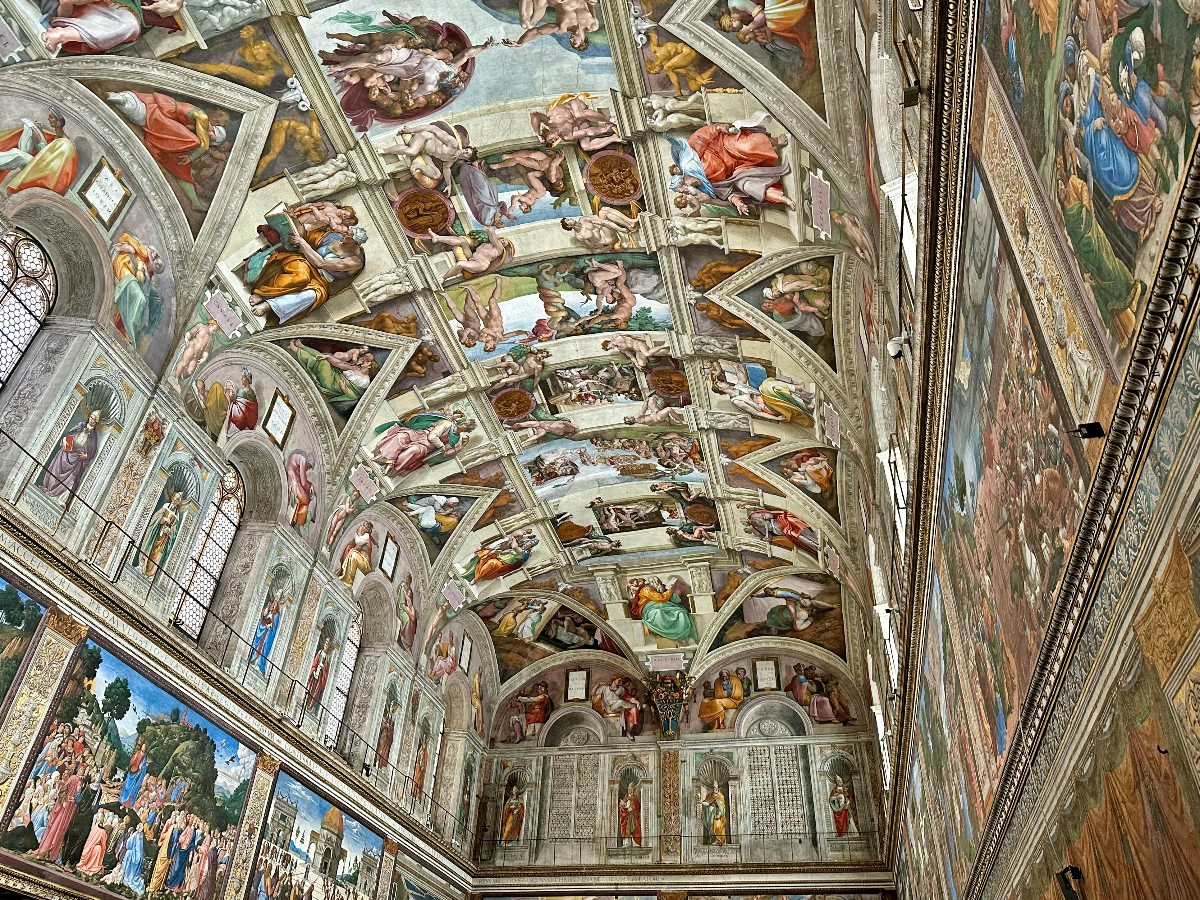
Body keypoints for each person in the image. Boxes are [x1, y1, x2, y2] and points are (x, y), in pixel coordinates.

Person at [106, 90, 225, 212]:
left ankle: (194, 202)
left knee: (180, 166)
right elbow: (204, 145)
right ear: (214, 131)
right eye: (213, 137)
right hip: (165, 111)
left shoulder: (198, 127)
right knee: (194, 141)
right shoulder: (203, 118)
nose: (209, 138)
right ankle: (123, 101)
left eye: (212, 140)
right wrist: (191, 157)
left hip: (166, 118)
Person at [246, 207, 367, 324]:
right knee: (301, 276)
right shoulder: (336, 237)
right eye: (348, 233)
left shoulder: (354, 262)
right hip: (304, 262)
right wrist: (294, 219)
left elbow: (321, 263)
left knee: (313, 295)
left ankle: (269, 305)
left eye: (349, 236)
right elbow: (306, 235)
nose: (345, 235)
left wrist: (302, 243)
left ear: (355, 243)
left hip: (320, 280)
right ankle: (263, 294)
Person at [373, 409, 473, 477]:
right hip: (420, 434)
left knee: (414, 450)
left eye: (465, 425)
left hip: (427, 446)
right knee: (401, 436)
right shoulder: (447, 423)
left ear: (467, 430)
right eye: (464, 422)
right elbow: (432, 436)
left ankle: (392, 467)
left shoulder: (455, 438)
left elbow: (445, 453)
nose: (463, 424)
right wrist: (441, 445)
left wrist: (462, 446)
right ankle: (389, 461)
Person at [0, 110, 78, 194]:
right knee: (29, 129)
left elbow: (48, 165)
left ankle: (18, 156)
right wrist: (40, 134)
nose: (48, 119)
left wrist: (39, 141)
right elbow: (47, 153)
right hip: (40, 166)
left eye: (51, 117)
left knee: (18, 154)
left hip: (42, 174)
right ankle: (21, 155)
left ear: (59, 122)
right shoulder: (58, 137)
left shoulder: (65, 144)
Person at [111, 231, 165, 350]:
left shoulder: (150, 275)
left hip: (131, 278)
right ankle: (128, 328)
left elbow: (144, 286)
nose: (156, 261)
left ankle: (127, 329)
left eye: (158, 265)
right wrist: (131, 249)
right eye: (156, 259)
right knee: (139, 298)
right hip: (123, 265)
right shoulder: (144, 252)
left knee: (141, 302)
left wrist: (143, 275)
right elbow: (125, 238)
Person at [41, 409, 102, 500]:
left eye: (94, 419)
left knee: (72, 479)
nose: (91, 420)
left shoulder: (94, 435)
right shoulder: (81, 425)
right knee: (56, 469)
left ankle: (61, 498)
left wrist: (86, 456)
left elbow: (93, 451)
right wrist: (67, 441)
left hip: (78, 458)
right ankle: (49, 488)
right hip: (67, 451)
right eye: (91, 417)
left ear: (96, 422)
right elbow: (70, 434)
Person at [629, 577, 695, 641]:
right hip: (649, 610)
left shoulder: (658, 589)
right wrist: (670, 590)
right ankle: (676, 634)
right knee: (659, 614)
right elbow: (660, 598)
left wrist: (675, 593)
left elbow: (669, 599)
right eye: (655, 582)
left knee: (680, 612)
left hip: (659, 607)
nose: (658, 584)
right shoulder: (646, 589)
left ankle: (682, 634)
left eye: (658, 582)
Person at [462, 531, 538, 583]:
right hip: (499, 558)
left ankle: (476, 578)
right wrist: (496, 552)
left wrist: (514, 538)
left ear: (531, 546)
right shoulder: (515, 545)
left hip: (503, 565)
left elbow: (514, 547)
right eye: (529, 542)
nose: (528, 544)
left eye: (531, 544)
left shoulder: (522, 552)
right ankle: (470, 570)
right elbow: (505, 552)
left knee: (492, 563)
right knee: (486, 555)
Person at [142, 491, 184, 577]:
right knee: (151, 547)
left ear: (178, 502)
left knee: (157, 552)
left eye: (177, 499)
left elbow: (174, 530)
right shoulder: (166, 506)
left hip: (164, 537)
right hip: (157, 532)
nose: (174, 499)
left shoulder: (176, 514)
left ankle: (151, 572)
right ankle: (143, 565)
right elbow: (156, 516)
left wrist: (169, 531)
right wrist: (162, 519)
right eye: (174, 497)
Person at [337, 521, 376, 585]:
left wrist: (358, 532)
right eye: (363, 526)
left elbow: (358, 543)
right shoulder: (363, 537)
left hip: (366, 564)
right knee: (351, 550)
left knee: (354, 554)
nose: (363, 528)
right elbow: (356, 546)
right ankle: (344, 573)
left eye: (365, 527)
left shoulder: (366, 537)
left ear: (368, 530)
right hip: (360, 560)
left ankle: (349, 580)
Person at [618, 781, 641, 847]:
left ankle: (635, 843)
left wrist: (633, 809)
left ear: (633, 790)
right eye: (628, 789)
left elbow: (637, 806)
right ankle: (626, 843)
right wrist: (622, 805)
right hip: (626, 815)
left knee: (633, 828)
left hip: (633, 816)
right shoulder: (626, 797)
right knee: (626, 829)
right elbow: (623, 806)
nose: (629, 790)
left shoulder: (635, 798)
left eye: (630, 789)